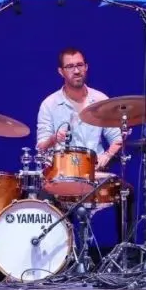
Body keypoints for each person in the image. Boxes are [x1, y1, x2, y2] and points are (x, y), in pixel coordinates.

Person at [35, 47, 134, 245]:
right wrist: (54, 138)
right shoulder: (50, 104)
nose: (76, 70)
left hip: (95, 173)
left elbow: (117, 138)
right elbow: (41, 147)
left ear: (86, 67)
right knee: (42, 196)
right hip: (63, 174)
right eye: (70, 66)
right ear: (61, 71)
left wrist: (107, 156)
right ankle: (61, 255)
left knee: (127, 192)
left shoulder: (100, 100)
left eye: (80, 65)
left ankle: (126, 252)